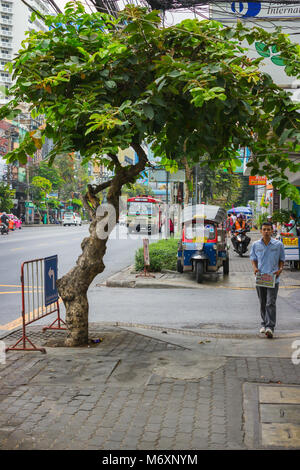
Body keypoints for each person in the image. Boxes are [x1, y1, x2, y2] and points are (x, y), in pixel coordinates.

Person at [250, 221, 285, 338]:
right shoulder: (255, 245)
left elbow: (282, 259)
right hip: (260, 278)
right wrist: (255, 268)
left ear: (272, 231)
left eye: (268, 229)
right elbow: (253, 258)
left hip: (273, 278)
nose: (266, 231)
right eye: (264, 229)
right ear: (261, 231)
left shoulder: (278, 245)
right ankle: (264, 324)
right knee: (263, 302)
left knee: (271, 302)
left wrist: (280, 269)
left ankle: (270, 327)